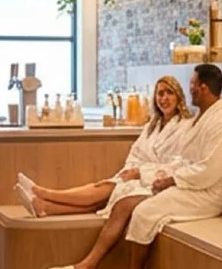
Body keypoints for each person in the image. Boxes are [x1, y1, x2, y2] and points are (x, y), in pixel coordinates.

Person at [44, 64, 222, 269]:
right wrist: (160, 176)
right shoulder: (201, 119)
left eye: (192, 84)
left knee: (143, 212)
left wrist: (170, 179)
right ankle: (87, 266)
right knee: (124, 202)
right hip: (185, 184)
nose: (190, 90)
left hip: (206, 194)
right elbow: (182, 161)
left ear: (203, 88)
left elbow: (208, 171)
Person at [14, 74, 192, 219]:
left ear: (179, 96)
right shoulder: (152, 126)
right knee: (102, 197)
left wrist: (142, 173)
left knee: (105, 189)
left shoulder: (186, 127)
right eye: (160, 93)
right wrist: (130, 171)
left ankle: (44, 193)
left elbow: (179, 165)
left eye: (169, 93)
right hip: (137, 176)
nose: (164, 98)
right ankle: (44, 207)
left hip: (158, 182)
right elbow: (136, 154)